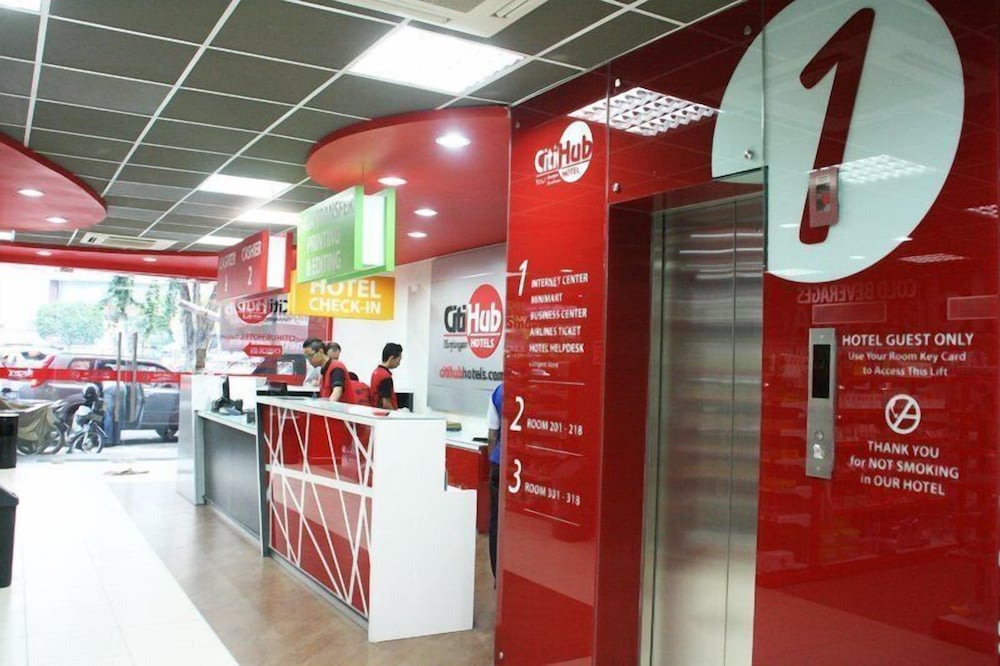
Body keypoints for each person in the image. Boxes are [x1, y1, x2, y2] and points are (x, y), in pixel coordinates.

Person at [487, 383, 503, 579]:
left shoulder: (499, 392)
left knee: (496, 521)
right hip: (524, 465)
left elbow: (492, 435)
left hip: (500, 463)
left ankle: (497, 576)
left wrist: (493, 461)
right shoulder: (534, 387)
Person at [370, 343, 402, 410]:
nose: (399, 363)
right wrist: (395, 415)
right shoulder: (386, 377)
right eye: (399, 360)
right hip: (384, 414)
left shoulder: (376, 372)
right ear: (391, 358)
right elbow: (386, 403)